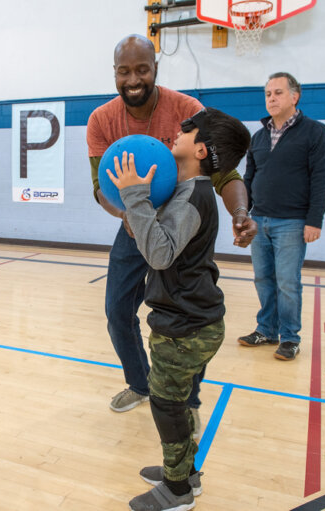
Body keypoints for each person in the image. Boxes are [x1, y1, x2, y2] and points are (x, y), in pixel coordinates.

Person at [86, 34, 257, 419]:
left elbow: (223, 172)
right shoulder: (101, 120)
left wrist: (240, 212)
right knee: (117, 311)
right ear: (114, 74)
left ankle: (187, 400)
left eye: (141, 69)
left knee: (185, 318)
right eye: (124, 71)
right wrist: (127, 215)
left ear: (155, 69)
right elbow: (100, 188)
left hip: (181, 225)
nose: (133, 79)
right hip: (133, 223)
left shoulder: (187, 110)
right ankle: (140, 383)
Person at [107, 107, 251, 511]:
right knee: (178, 399)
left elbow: (158, 255)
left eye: (187, 130)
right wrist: (139, 207)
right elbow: (156, 237)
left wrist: (135, 196)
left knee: (166, 403)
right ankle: (186, 472)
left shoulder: (194, 197)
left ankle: (176, 491)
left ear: (201, 149)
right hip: (194, 318)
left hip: (185, 326)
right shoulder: (188, 192)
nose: (178, 131)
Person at [238, 72, 325, 361]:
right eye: (268, 94)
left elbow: (321, 178)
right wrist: (243, 216)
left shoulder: (315, 132)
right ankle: (267, 329)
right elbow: (250, 177)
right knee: (263, 279)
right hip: (259, 220)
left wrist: (314, 220)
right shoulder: (258, 137)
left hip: (292, 222)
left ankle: (290, 337)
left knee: (288, 282)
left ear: (295, 96)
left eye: (278, 93)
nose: (271, 98)